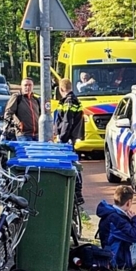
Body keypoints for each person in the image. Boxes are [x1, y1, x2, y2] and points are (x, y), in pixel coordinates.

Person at [53, 77, 85, 205]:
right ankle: (77, 193)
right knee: (73, 165)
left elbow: (67, 121)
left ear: (61, 89)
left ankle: (77, 193)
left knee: (72, 166)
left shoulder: (69, 101)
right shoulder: (73, 100)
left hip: (67, 140)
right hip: (71, 138)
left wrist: (62, 137)